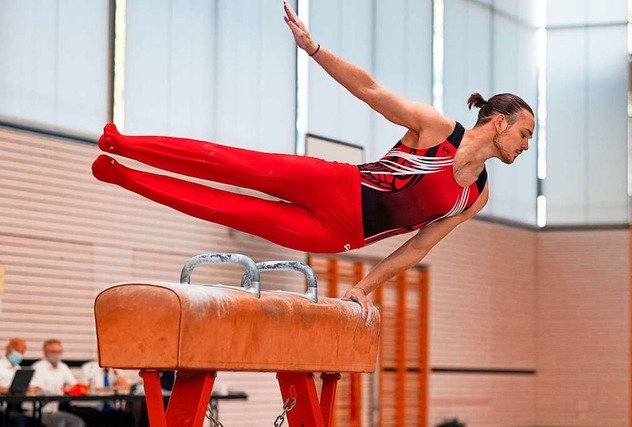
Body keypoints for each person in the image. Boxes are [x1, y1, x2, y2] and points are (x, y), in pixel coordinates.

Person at [91, 1, 534, 325]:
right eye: (524, 134)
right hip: (334, 184)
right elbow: (372, 92)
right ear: (498, 123)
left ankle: (119, 174)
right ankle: (124, 144)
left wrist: (363, 288)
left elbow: (417, 248)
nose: (526, 145)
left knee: (224, 208)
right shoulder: (438, 130)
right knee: (231, 164)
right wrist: (315, 49)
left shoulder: (476, 196)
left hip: (340, 235)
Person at [31, 340, 85, 427]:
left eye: (59, 351)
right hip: (38, 411)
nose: (57, 354)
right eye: (53, 352)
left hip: (55, 410)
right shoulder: (38, 367)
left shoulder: (63, 367)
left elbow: (75, 385)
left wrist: (69, 389)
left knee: (77, 423)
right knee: (59, 421)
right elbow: (37, 389)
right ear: (45, 353)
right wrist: (59, 390)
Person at [69, 361, 132, 427]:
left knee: (128, 419)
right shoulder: (90, 368)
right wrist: (111, 388)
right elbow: (84, 389)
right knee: (100, 420)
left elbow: (126, 386)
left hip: (110, 407)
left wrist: (114, 371)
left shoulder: (116, 368)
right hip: (93, 407)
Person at [0, 338, 33, 427]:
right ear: (8, 349)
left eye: (22, 352)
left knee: (32, 418)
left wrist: (28, 389)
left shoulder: (18, 369)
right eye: (17, 350)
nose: (19, 354)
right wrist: (9, 390)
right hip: (2, 408)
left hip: (15, 407)